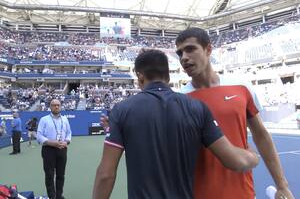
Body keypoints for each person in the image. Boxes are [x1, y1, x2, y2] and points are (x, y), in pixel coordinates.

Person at [92, 49, 259, 199]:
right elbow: (235, 161)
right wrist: (253, 156)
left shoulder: (122, 110)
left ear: (140, 76)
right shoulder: (197, 107)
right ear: (168, 76)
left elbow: (106, 174)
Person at [175, 27, 294, 199]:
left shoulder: (241, 87)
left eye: (190, 49)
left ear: (208, 49)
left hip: (243, 193)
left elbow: (261, 135)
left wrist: (282, 185)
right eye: (179, 53)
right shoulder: (178, 99)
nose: (184, 57)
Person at [37, 99, 72, 199]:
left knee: (61, 175)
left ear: (60, 106)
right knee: (49, 175)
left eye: (58, 105)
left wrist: (66, 142)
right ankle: (52, 197)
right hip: (48, 150)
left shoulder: (65, 119)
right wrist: (51, 143)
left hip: (62, 149)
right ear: (50, 107)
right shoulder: (44, 119)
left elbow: (69, 133)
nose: (56, 107)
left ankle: (59, 196)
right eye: (54, 105)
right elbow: (39, 135)